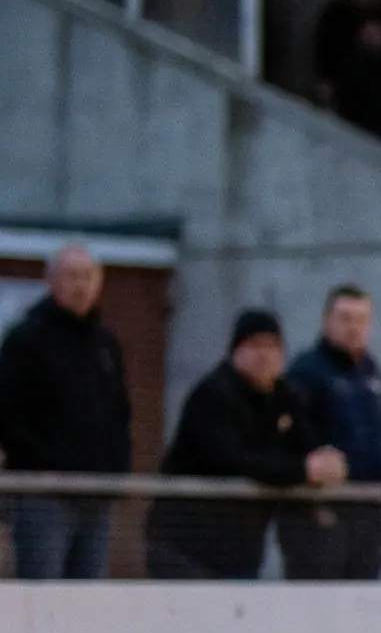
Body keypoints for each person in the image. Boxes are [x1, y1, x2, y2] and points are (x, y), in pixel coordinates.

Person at [147, 310, 346, 579]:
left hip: (240, 546)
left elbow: (307, 446)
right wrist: (304, 469)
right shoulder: (213, 395)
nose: (264, 355)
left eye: (272, 346)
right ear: (235, 351)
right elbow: (234, 459)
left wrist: (327, 461)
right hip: (184, 544)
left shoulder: (284, 396)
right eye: (254, 345)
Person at [0, 244, 133, 578]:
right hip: (46, 496)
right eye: (72, 275)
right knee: (44, 596)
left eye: (88, 276)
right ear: (51, 281)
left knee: (86, 600)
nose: (81, 285)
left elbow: (119, 413)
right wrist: (43, 463)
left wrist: (117, 470)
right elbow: (7, 412)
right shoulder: (26, 341)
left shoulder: (106, 345)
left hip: (97, 495)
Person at [284, 284, 381, 578]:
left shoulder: (370, 370)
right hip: (324, 515)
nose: (354, 328)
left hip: (368, 511)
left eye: (361, 320)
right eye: (345, 318)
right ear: (326, 321)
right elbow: (294, 437)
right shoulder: (307, 371)